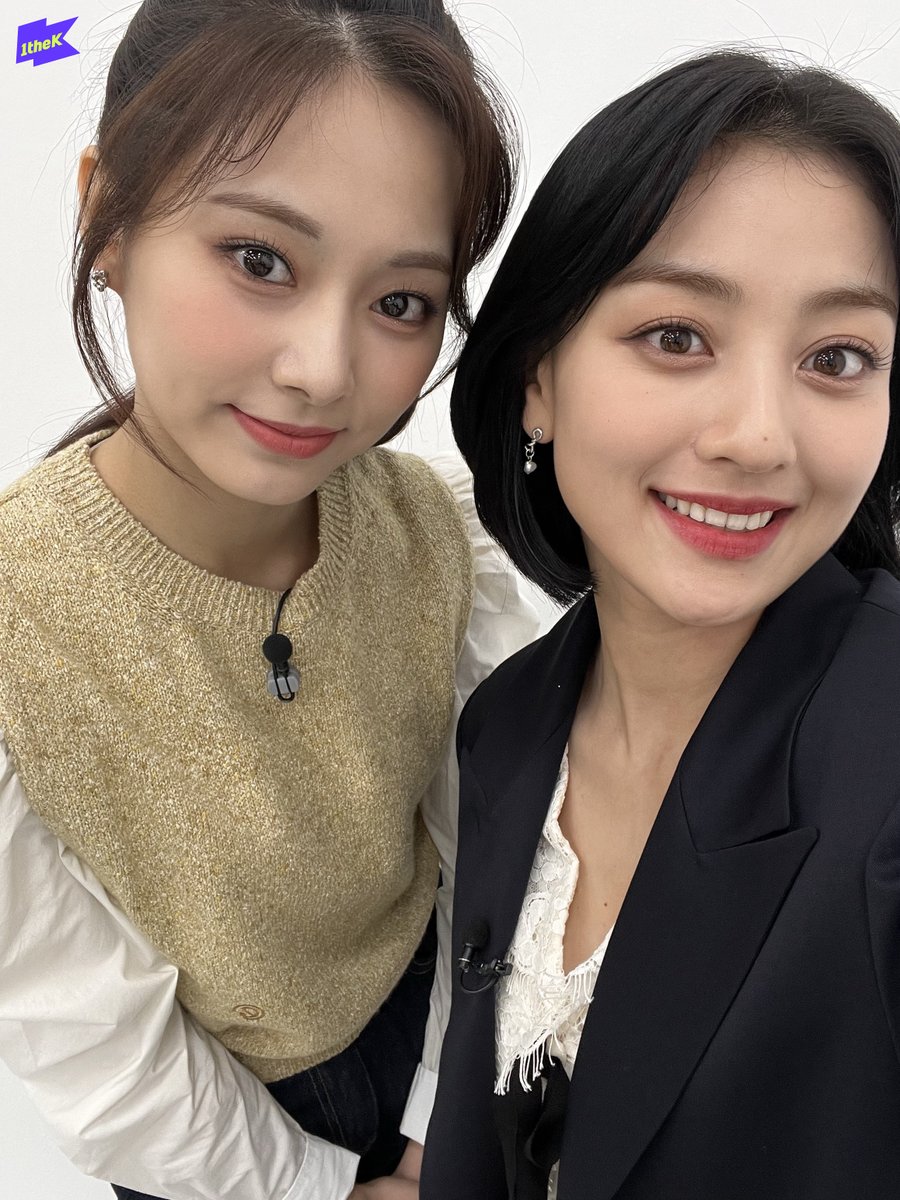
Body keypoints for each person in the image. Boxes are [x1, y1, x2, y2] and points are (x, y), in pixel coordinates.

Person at [0, 2, 541, 1199]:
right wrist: (324, 1189)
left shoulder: (435, 538)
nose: (323, 370)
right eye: (260, 260)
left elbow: (494, 853)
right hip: (213, 1146)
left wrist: (433, 1122)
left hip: (443, 1045)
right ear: (107, 217)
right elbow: (93, 1041)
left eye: (401, 301)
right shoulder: (16, 621)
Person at [421, 48, 900, 1200]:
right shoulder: (507, 723)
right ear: (536, 377)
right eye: (678, 336)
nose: (757, 435)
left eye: (838, 357)